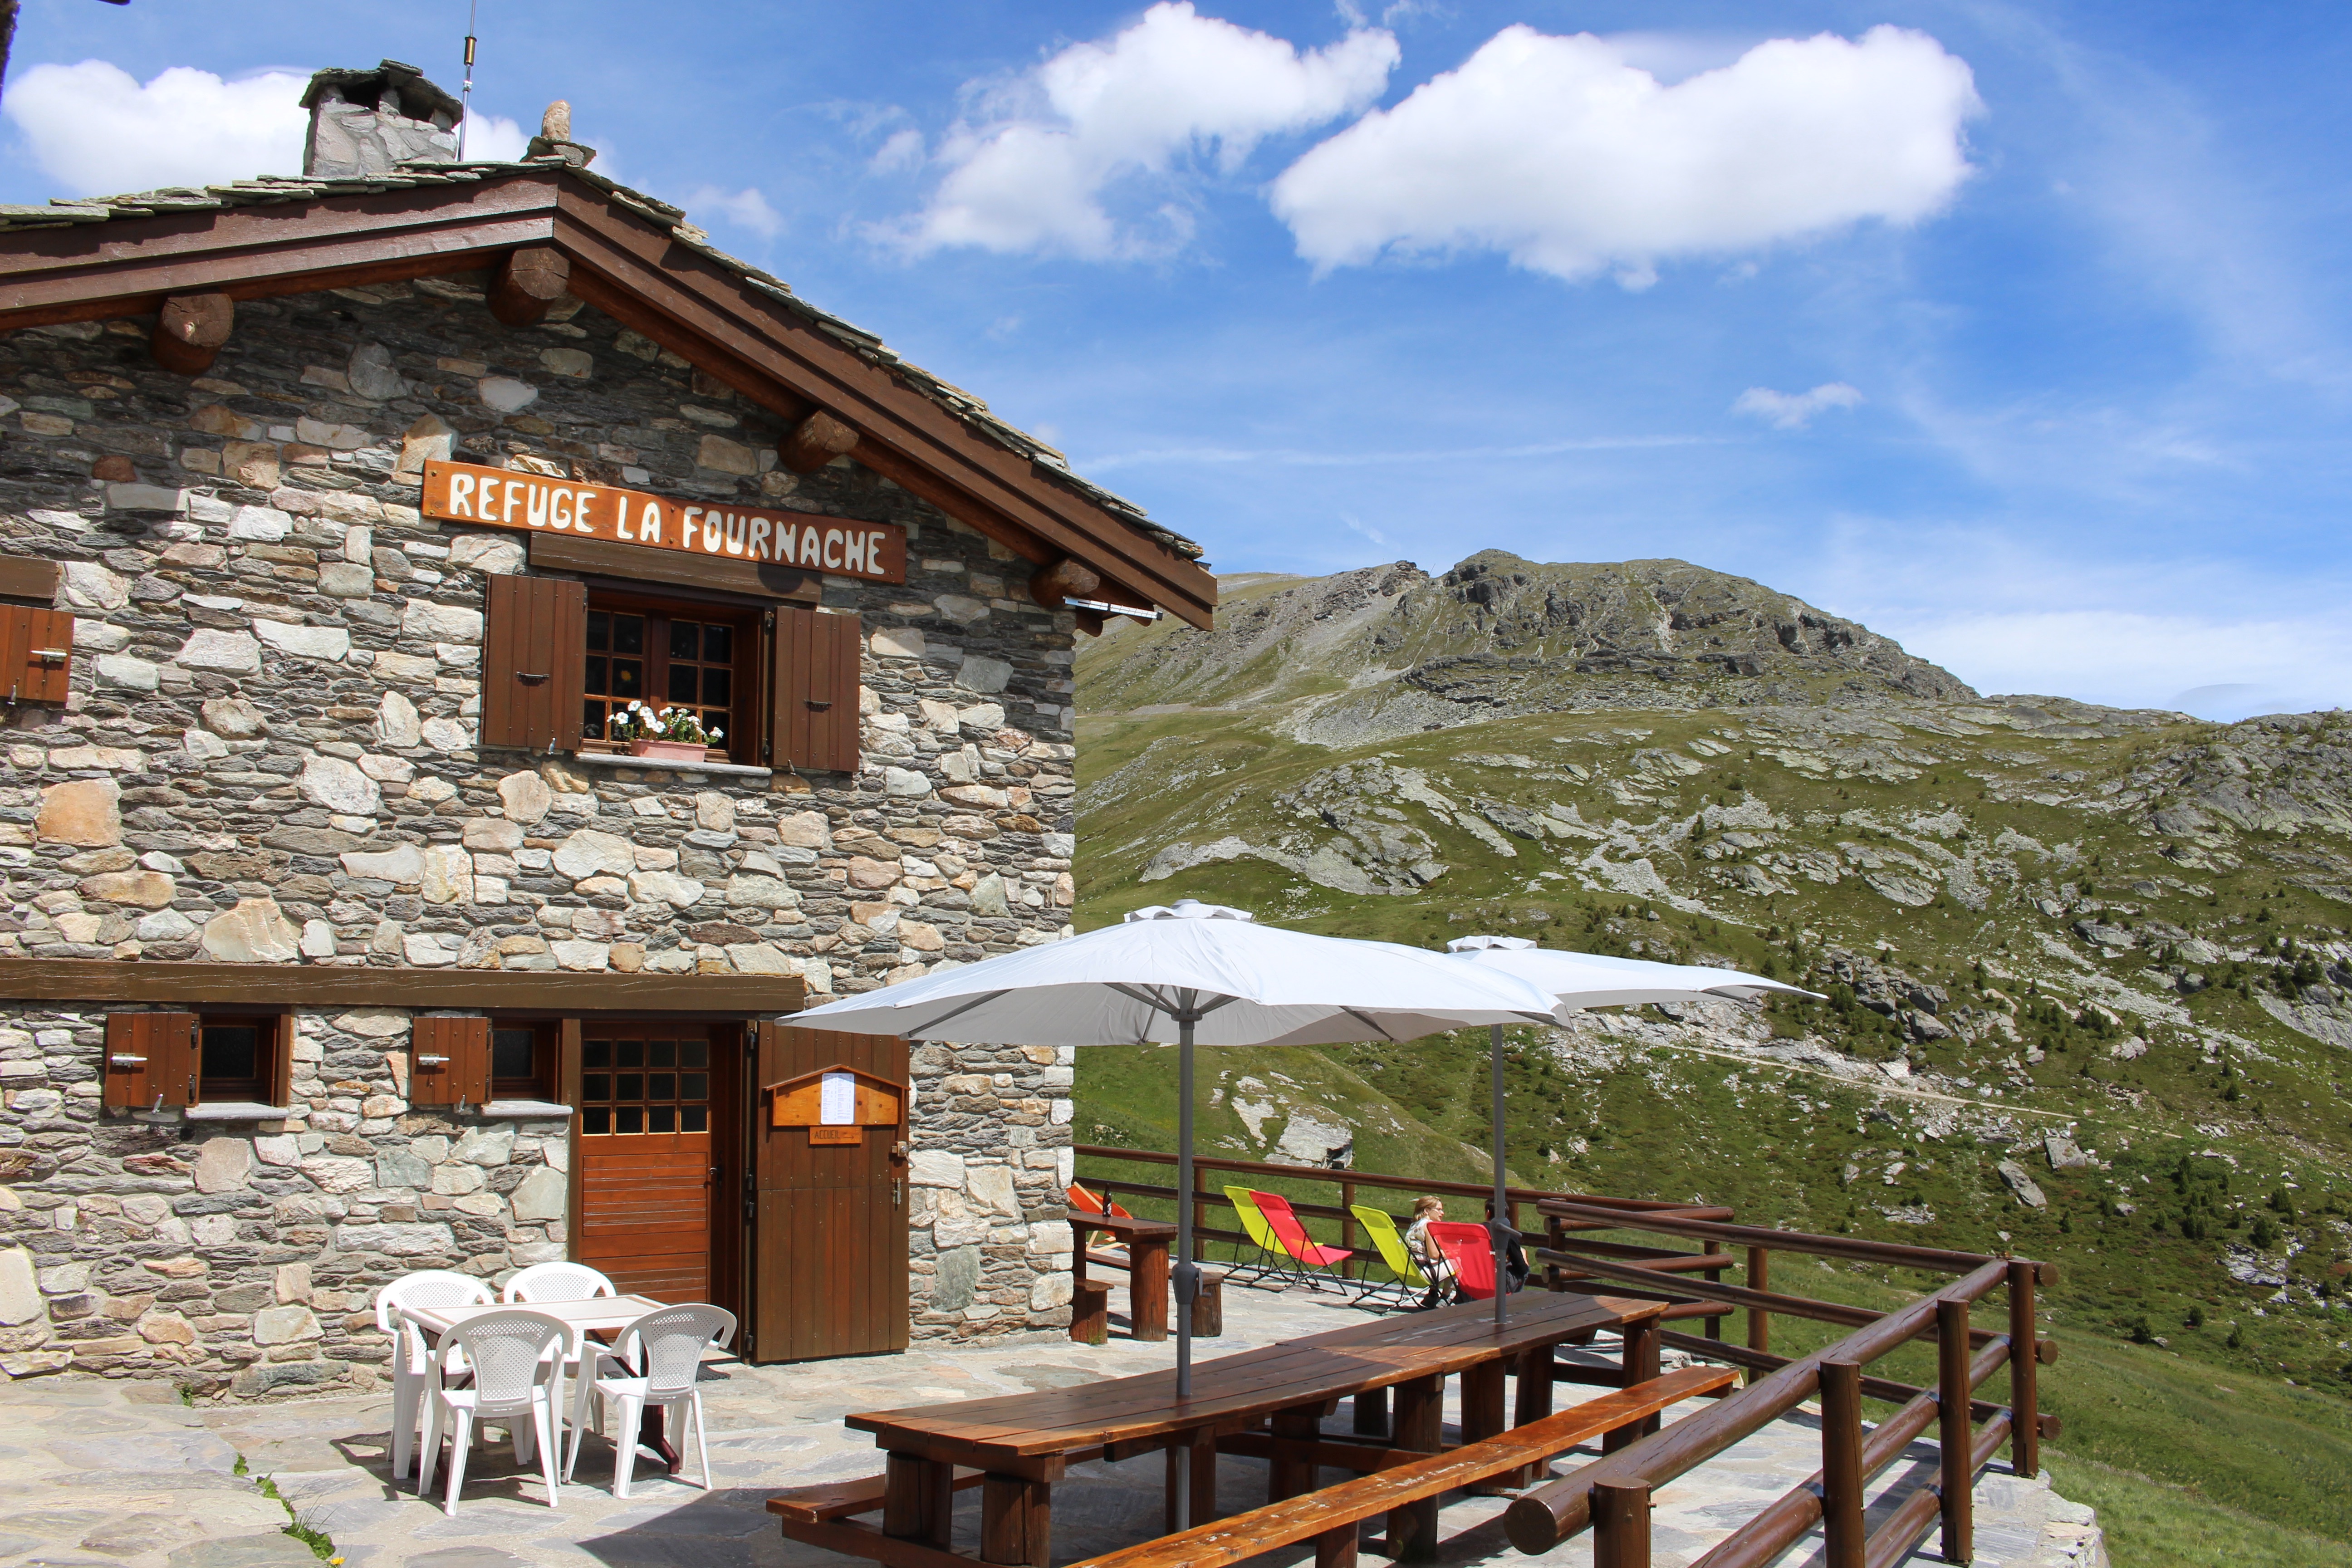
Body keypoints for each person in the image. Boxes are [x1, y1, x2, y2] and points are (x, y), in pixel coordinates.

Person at [1403, 1195, 1454, 1308]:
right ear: (1427, 1211)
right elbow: (1435, 1255)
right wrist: (1453, 1253)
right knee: (1458, 1261)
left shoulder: (1415, 1224)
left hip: (1410, 1272)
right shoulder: (1428, 1226)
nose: (1442, 1213)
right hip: (1423, 1275)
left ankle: (1432, 1296)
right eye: (1439, 1210)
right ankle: (1445, 1299)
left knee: (1443, 1263)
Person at [1485, 1200, 1531, 1294]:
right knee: (1524, 1270)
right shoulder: (1508, 1235)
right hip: (1499, 1285)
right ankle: (1513, 1304)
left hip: (1475, 1280)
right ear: (1506, 1216)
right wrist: (1524, 1258)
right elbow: (1521, 1269)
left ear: (1488, 1214)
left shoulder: (1476, 1232)